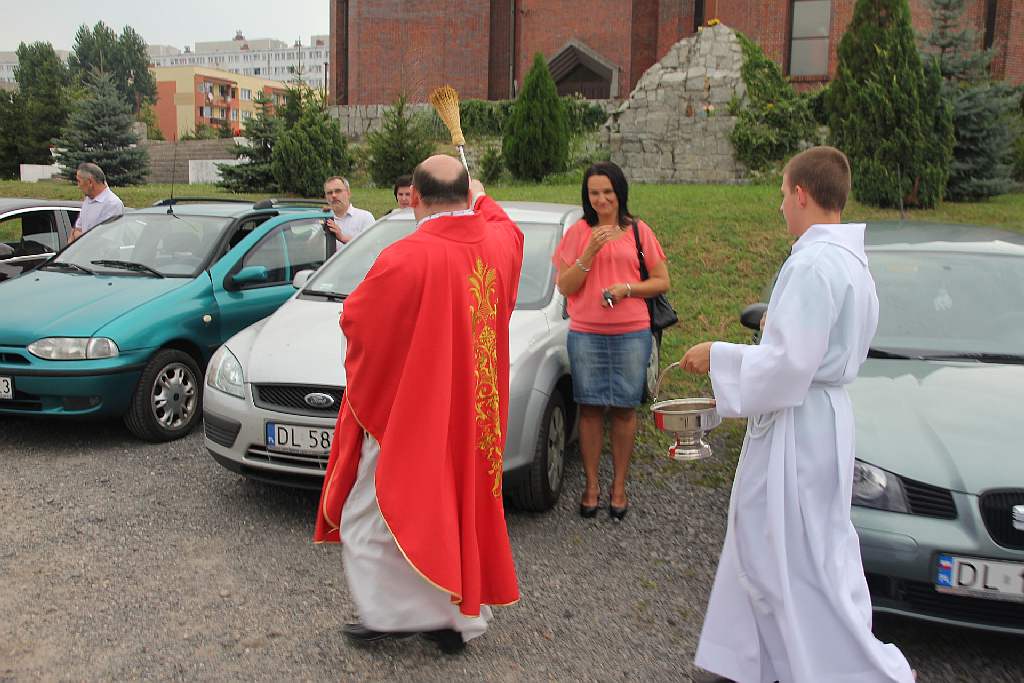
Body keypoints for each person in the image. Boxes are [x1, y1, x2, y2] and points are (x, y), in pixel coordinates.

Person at [680, 146, 914, 682]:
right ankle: (755, 660)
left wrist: (717, 356)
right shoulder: (848, 260)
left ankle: (843, 669)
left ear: (802, 194)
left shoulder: (812, 263)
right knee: (796, 547)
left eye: (783, 194)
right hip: (820, 416)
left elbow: (789, 365)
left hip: (800, 424)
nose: (781, 205)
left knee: (792, 555)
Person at [314, 155, 524, 654]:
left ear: (417, 199)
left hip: (418, 415)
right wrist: (483, 198)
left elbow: (358, 323)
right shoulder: (498, 243)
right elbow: (508, 228)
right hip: (476, 416)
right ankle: (452, 619)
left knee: (370, 514)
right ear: (466, 196)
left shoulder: (406, 256)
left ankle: (393, 615)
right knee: (454, 511)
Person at [553, 161, 670, 521]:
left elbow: (661, 281)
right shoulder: (578, 233)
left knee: (623, 409)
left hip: (631, 333)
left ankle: (619, 487)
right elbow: (565, 286)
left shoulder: (639, 231)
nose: (601, 199)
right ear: (586, 196)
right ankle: (591, 487)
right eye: (594, 193)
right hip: (586, 333)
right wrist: (588, 253)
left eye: (608, 191)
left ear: (620, 192)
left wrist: (627, 289)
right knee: (589, 409)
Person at [69, 163, 124, 242]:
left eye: (79, 181)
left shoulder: (112, 204)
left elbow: (105, 240)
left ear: (90, 182)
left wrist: (81, 237)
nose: (78, 186)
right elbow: (76, 229)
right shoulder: (88, 200)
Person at [323, 176, 375, 251]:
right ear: (326, 197)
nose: (333, 195)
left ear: (348, 193)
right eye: (329, 193)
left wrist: (342, 238)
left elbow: (372, 246)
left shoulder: (365, 217)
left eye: (338, 191)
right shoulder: (322, 219)